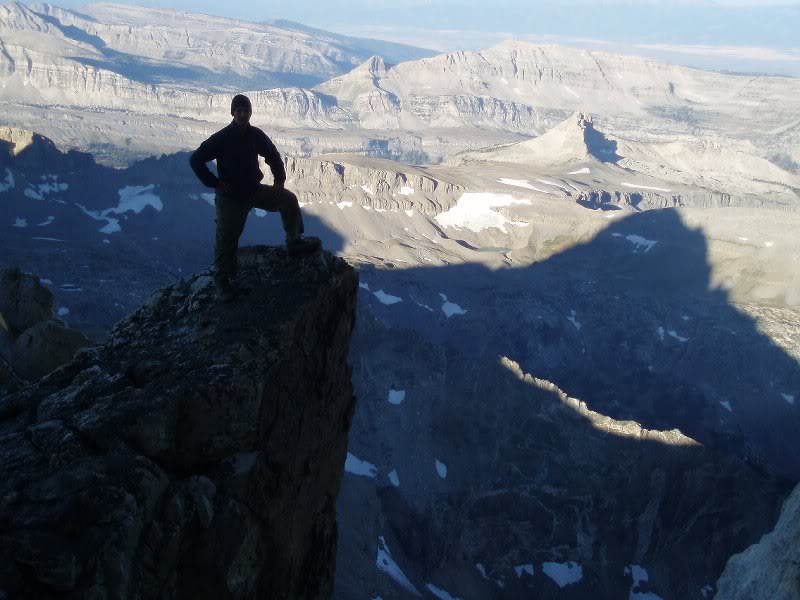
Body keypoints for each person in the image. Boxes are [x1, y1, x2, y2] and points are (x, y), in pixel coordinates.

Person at [190, 94, 321, 302]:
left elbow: (272, 154)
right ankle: (223, 283)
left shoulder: (255, 135)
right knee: (226, 239)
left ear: (250, 113)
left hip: (252, 190)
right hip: (231, 197)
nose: (242, 114)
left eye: (246, 110)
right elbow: (196, 160)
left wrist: (279, 180)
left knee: (288, 200)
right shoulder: (222, 138)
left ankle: (294, 242)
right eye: (239, 110)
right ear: (233, 113)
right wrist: (215, 183)